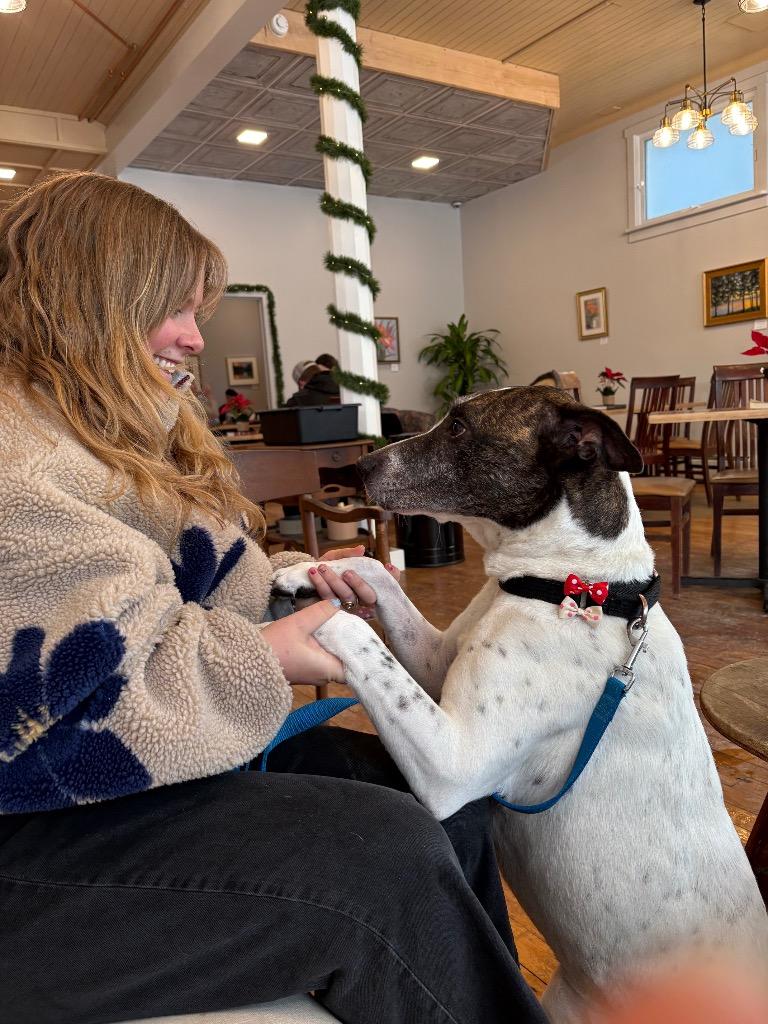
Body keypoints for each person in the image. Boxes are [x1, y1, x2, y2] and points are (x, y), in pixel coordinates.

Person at [0, 172, 545, 1024]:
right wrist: (273, 652)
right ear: (89, 298)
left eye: (196, 312)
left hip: (105, 796)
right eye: (169, 308)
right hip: (27, 837)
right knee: (380, 854)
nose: (191, 336)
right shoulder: (19, 465)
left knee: (438, 792)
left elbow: (192, 578)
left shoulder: (102, 435)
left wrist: (293, 582)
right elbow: (66, 707)